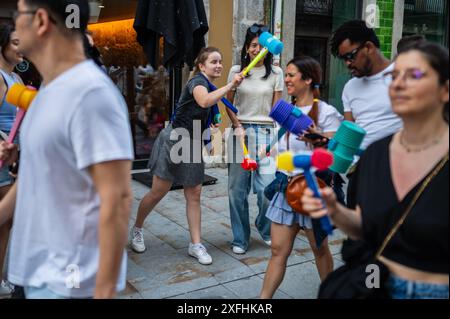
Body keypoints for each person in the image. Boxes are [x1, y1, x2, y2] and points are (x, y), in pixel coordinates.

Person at [0, 0, 134, 299]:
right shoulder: (49, 88)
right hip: (34, 271)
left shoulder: (91, 93)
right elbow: (32, 178)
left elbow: (118, 200)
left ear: (42, 21)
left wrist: (103, 293)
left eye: (18, 13)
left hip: (69, 284)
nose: (13, 23)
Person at [301, 42, 449, 299]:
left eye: (414, 75)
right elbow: (367, 227)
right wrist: (335, 210)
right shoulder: (376, 154)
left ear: (445, 90)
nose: (398, 84)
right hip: (376, 284)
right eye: (394, 76)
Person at [130, 47, 244, 265]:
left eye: (220, 61)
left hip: (191, 142)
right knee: (158, 191)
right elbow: (204, 101)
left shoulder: (208, 85)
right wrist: (230, 86)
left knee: (194, 193)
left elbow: (208, 109)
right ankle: (137, 228)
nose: (219, 65)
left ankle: (195, 244)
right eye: (214, 61)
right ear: (202, 66)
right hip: (175, 139)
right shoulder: (197, 83)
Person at [260, 55, 343, 299]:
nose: (286, 80)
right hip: (287, 189)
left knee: (320, 250)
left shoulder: (327, 112)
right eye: (285, 75)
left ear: (307, 79)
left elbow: (335, 156)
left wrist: (317, 138)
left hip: (313, 191)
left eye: (291, 75)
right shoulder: (287, 112)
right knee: (277, 251)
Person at [226, 23, 284, 254]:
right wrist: (236, 124)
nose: (256, 49)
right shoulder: (235, 71)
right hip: (240, 130)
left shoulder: (276, 73)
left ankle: (265, 226)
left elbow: (277, 107)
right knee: (237, 190)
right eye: (252, 45)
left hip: (266, 131)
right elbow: (227, 102)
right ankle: (240, 239)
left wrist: (275, 138)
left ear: (268, 49)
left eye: (260, 46)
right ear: (247, 47)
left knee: (267, 189)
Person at [331, 20, 403, 150]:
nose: (347, 63)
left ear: (368, 47)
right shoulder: (350, 87)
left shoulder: (403, 77)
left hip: (396, 164)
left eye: (350, 56)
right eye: (344, 59)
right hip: (360, 166)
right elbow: (349, 134)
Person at [0, 22, 23, 298]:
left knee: (8, 221)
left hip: (17, 155)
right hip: (4, 156)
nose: (22, 49)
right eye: (16, 43)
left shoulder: (15, 78)